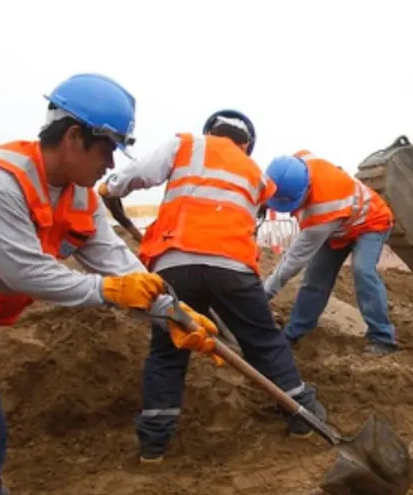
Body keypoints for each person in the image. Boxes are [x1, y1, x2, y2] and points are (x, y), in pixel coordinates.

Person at [0, 73, 217, 495]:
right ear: (74, 138)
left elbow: (116, 260)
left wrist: (176, 313)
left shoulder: (78, 195)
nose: (110, 163)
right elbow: (25, 271)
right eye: (108, 149)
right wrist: (105, 292)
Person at [98, 111, 327, 457]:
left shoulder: (186, 145)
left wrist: (108, 187)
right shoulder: (257, 176)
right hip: (233, 268)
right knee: (264, 341)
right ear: (247, 144)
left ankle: (153, 445)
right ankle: (303, 418)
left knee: (167, 351)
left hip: (175, 264)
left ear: (210, 130)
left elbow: (135, 175)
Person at [263, 151, 399, 355]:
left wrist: (265, 293)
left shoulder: (324, 208)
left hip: (371, 221)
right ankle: (294, 333)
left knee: (363, 270)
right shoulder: (297, 165)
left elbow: (294, 260)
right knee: (315, 278)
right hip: (340, 227)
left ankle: (383, 338)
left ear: (307, 189)